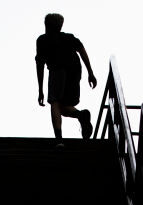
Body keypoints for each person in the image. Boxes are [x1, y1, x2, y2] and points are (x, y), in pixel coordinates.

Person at [35, 13, 97, 146]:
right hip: (75, 71)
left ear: (46, 25)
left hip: (58, 70)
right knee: (63, 107)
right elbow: (82, 52)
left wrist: (40, 90)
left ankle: (59, 140)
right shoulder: (69, 38)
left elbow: (40, 65)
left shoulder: (43, 40)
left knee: (55, 102)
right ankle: (81, 116)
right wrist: (90, 73)